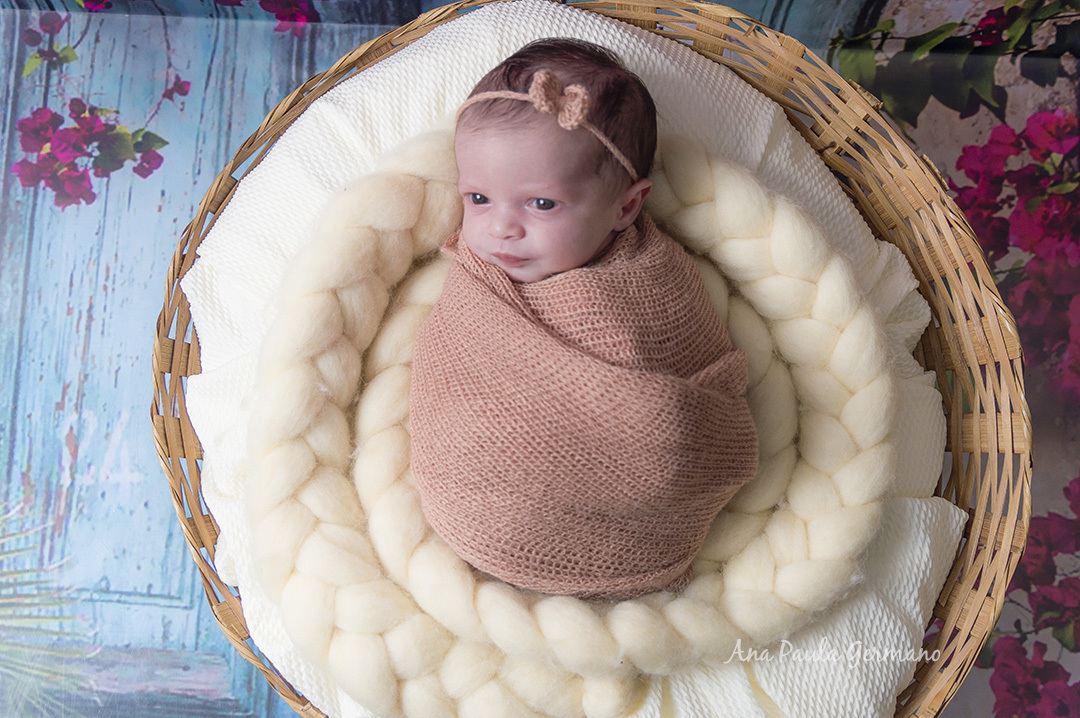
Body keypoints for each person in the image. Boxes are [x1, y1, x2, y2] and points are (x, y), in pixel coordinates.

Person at [408, 38, 759, 599]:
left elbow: (677, 427)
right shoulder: (478, 278)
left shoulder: (654, 284)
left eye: (541, 204)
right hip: (475, 497)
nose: (501, 228)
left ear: (626, 206)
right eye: (478, 198)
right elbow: (453, 380)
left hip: (633, 508)